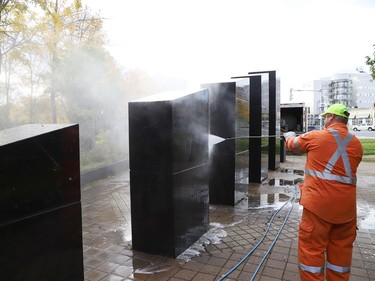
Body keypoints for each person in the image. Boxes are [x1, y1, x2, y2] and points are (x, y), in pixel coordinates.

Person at [283, 103, 363, 281]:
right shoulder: (357, 144)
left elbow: (293, 145)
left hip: (318, 209)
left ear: (332, 117)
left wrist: (288, 135)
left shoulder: (317, 136)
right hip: (346, 212)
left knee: (311, 252)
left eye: (326, 116)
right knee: (340, 259)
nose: (325, 120)